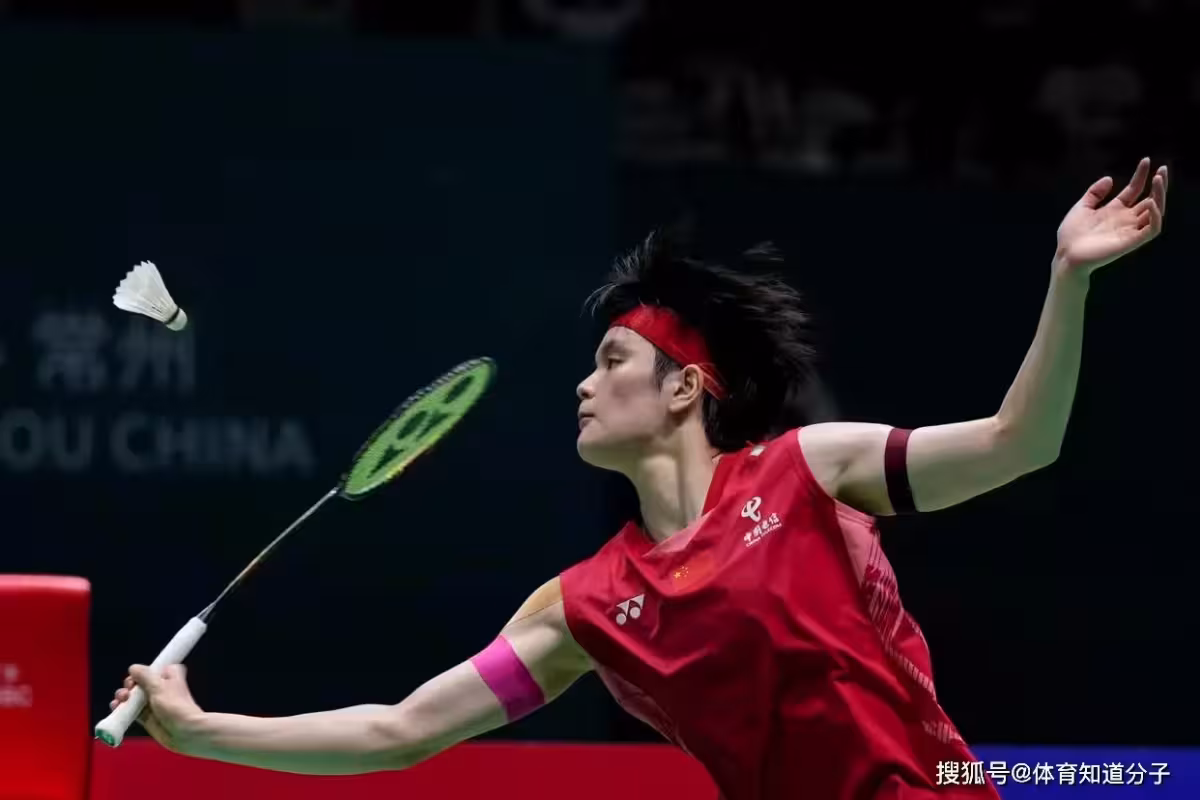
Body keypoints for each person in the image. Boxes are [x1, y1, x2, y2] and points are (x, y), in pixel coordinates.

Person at [111, 159, 1167, 797]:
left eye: (612, 360)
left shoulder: (808, 470)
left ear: (683, 389)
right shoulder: (587, 604)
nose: (584, 384)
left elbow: (1019, 442)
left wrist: (1067, 280)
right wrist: (200, 731)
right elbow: (400, 731)